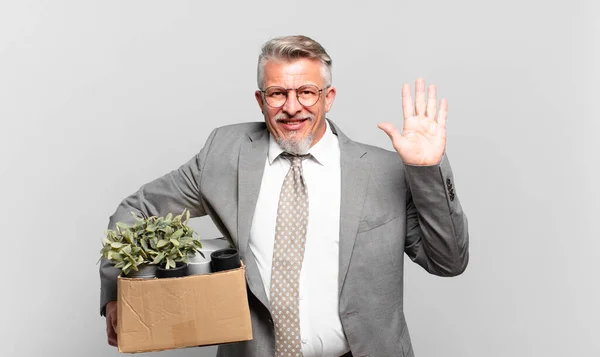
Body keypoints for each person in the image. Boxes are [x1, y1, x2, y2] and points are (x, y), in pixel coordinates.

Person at [99, 35, 469, 357]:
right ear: (261, 100)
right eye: (278, 93)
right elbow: (139, 208)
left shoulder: (383, 170)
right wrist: (120, 290)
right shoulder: (225, 154)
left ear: (328, 97)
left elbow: (448, 261)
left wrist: (427, 171)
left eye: (306, 92)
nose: (292, 107)